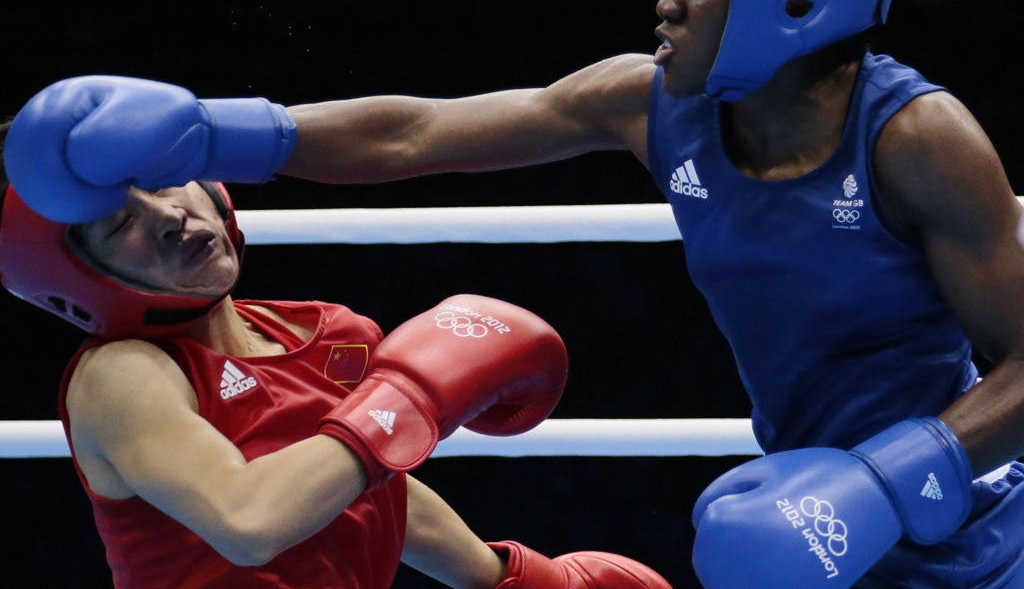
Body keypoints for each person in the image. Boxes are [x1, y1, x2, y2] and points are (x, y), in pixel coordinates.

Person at [5, 0, 1024, 589]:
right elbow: (416, 134)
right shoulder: (648, 101)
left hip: (962, 504)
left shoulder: (915, 139)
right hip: (808, 490)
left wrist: (889, 479)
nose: (665, 5)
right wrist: (214, 133)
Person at [0, 148, 675, 589]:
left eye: (160, 180)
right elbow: (248, 521)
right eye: (120, 223)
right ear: (76, 271)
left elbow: (365, 486)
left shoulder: (328, 333)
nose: (172, 215)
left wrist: (502, 575)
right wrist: (405, 399)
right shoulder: (123, 375)